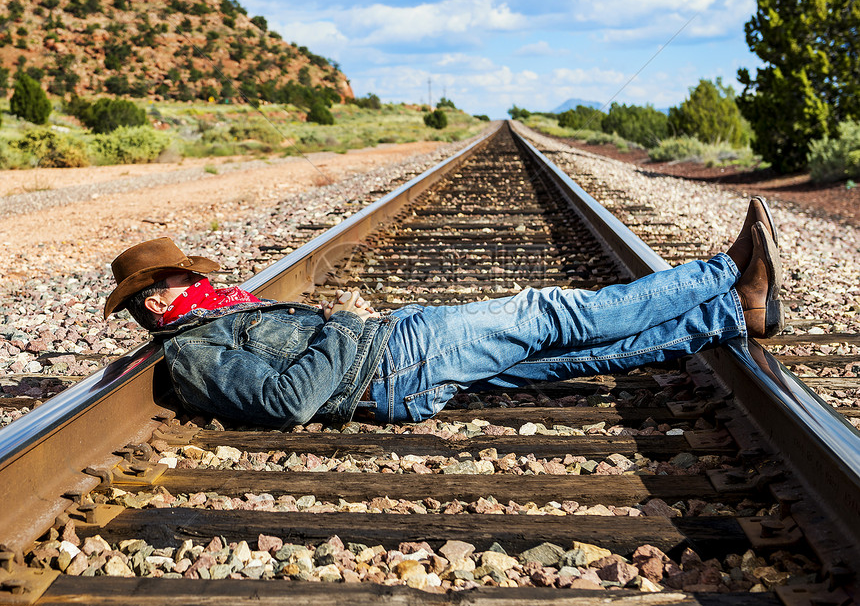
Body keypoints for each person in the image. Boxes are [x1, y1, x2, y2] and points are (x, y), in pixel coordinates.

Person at [104, 198, 783, 428]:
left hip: (397, 368)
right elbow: (288, 400)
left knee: (566, 357)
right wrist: (342, 322)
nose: (192, 281)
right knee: (548, 312)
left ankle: (725, 320)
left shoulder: (209, 323)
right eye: (176, 278)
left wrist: (339, 325)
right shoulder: (192, 351)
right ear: (156, 300)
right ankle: (727, 274)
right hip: (397, 355)